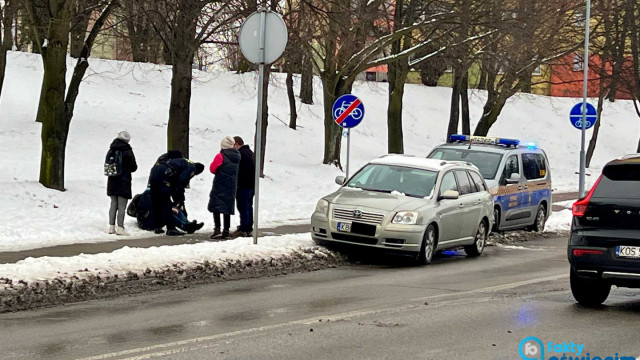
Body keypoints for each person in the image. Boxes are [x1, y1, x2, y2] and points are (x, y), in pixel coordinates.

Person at [148, 151, 205, 236]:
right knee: (166, 201)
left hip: (156, 172)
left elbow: (176, 182)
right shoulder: (191, 168)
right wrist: (179, 200)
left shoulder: (183, 162)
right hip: (165, 173)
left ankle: (158, 227)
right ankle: (171, 228)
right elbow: (181, 182)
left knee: (157, 200)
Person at [208, 136, 240, 239]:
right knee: (227, 207)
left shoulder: (220, 156)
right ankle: (226, 230)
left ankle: (217, 229)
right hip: (231, 185)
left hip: (220, 184)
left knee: (216, 205)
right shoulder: (237, 155)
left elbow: (213, 169)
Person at [106, 131, 137, 235]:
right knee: (122, 206)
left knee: (113, 204)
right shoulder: (127, 150)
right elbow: (133, 167)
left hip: (112, 180)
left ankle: (111, 227)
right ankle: (120, 228)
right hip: (124, 180)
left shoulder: (111, 149)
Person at [231, 136, 256, 238]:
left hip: (243, 185)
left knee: (243, 206)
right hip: (251, 185)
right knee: (248, 206)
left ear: (237, 144)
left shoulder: (241, 154)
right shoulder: (250, 153)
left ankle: (244, 228)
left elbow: (240, 171)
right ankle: (249, 227)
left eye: (233, 145)